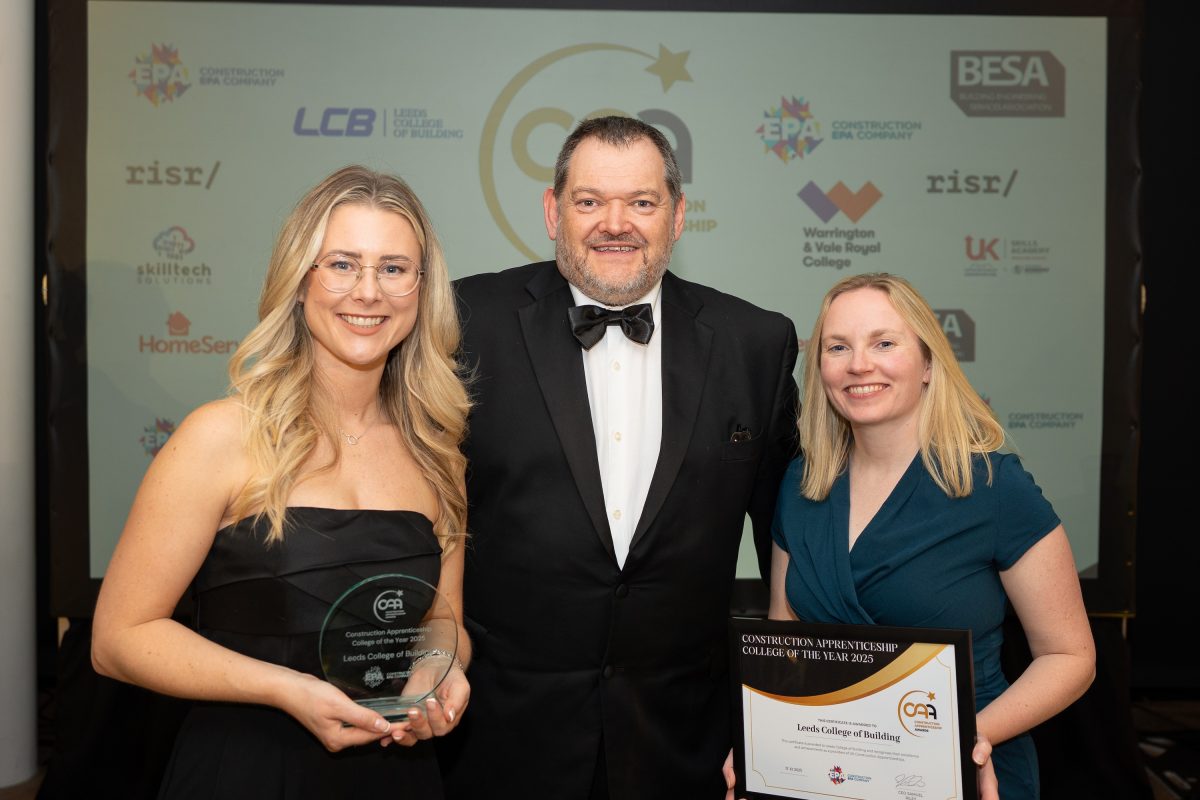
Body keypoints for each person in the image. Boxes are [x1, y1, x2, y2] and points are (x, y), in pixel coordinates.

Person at [435, 115, 800, 800]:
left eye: (641, 202)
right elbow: (423, 509)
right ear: (552, 211)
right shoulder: (463, 320)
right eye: (589, 200)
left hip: (687, 743)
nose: (615, 223)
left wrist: (778, 717)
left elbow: (790, 542)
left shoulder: (755, 343)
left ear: (678, 215)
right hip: (498, 739)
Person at [91, 165, 473, 799]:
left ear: (421, 290)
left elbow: (445, 617)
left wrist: (440, 667)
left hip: (397, 774)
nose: (368, 291)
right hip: (246, 772)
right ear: (300, 282)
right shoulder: (220, 437)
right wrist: (285, 689)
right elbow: (118, 639)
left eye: (394, 268)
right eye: (343, 264)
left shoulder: (438, 450)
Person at [768, 272, 1095, 798]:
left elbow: (1069, 657)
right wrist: (763, 737)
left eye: (884, 343)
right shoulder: (801, 485)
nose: (858, 364)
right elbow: (786, 646)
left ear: (926, 363)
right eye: (838, 347)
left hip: (968, 771)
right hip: (828, 774)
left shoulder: (993, 486)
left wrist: (967, 739)